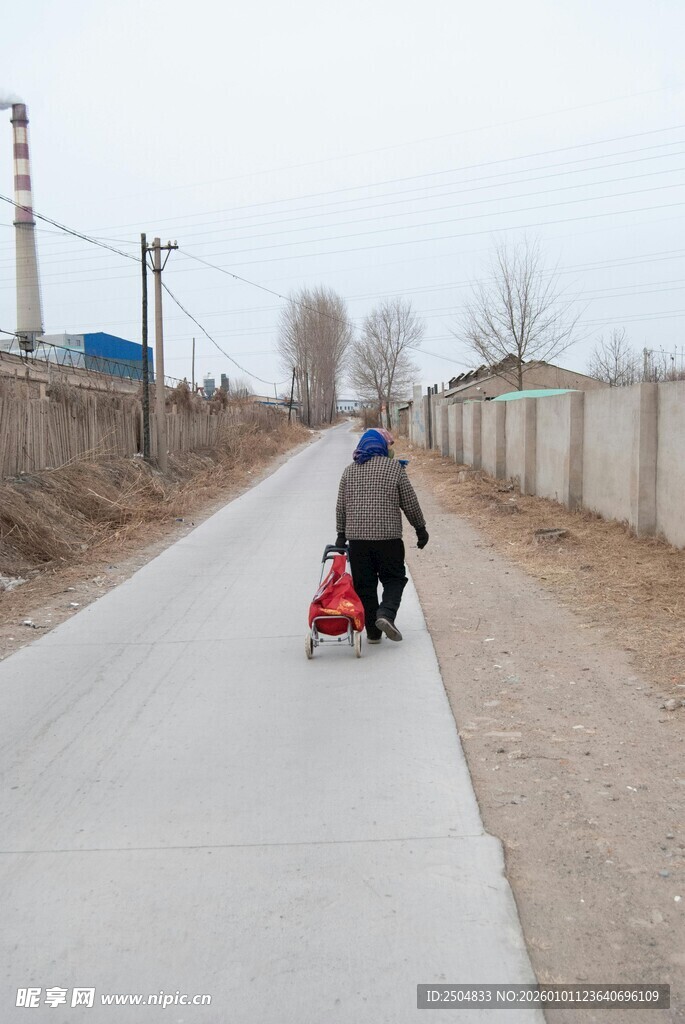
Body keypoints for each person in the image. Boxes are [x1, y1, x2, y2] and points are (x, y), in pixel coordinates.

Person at [335, 427, 429, 644]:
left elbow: (341, 506)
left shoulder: (349, 471)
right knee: (395, 579)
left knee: (365, 585)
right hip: (388, 539)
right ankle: (386, 614)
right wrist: (420, 528)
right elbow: (410, 502)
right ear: (382, 447)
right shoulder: (394, 469)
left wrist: (341, 535)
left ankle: (373, 633)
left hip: (358, 541)